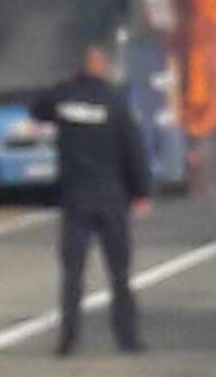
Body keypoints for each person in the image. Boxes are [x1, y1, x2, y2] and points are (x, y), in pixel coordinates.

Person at [30, 46, 153, 357]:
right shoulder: (115, 101)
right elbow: (132, 149)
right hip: (111, 198)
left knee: (73, 274)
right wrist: (141, 192)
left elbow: (36, 107)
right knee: (120, 274)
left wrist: (68, 83)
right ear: (104, 68)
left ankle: (68, 340)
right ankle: (128, 338)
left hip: (76, 199)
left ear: (79, 68)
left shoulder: (63, 99)